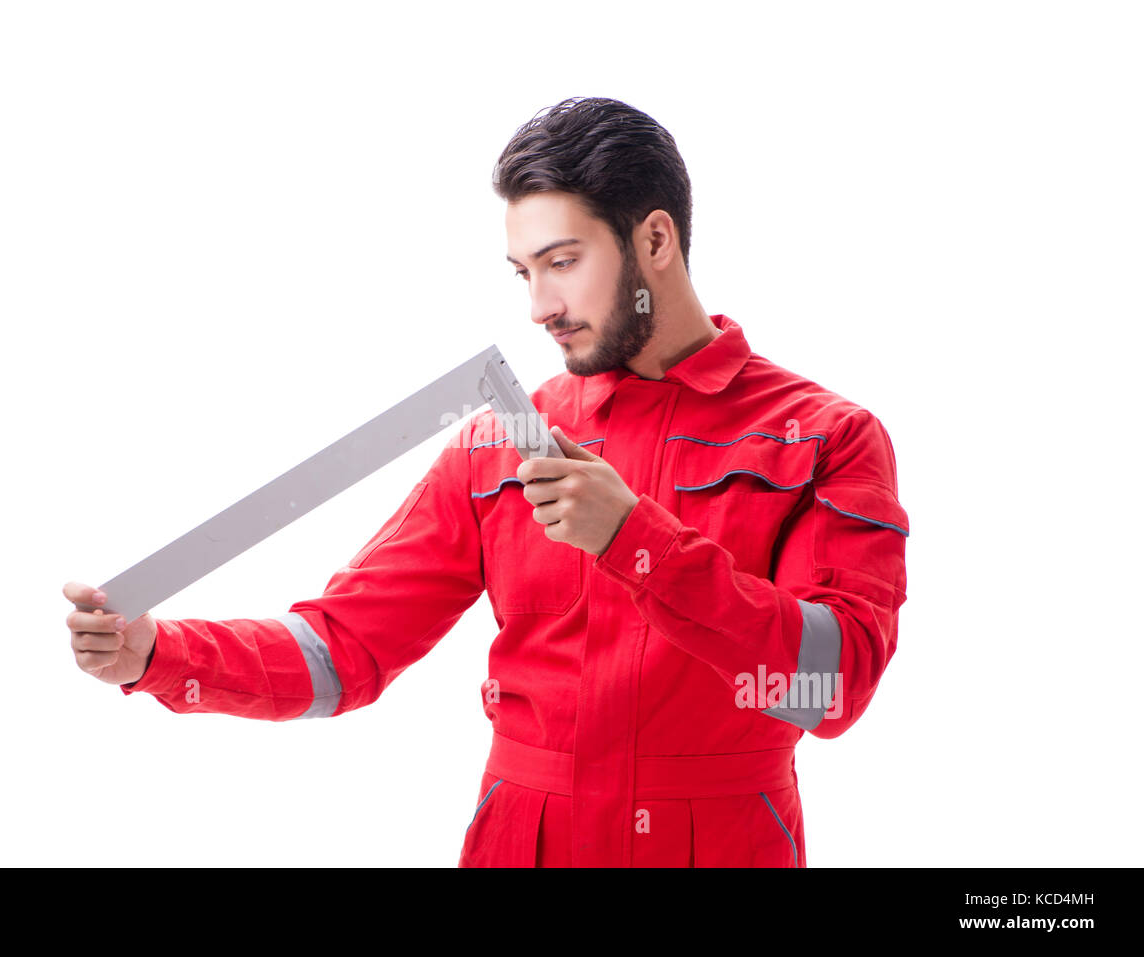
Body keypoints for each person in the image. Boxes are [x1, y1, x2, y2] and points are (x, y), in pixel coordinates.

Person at [63, 96, 909, 867]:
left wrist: (636, 541)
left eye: (562, 261)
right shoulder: (502, 441)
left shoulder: (824, 438)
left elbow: (832, 689)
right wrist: (159, 655)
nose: (539, 305)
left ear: (656, 241)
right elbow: (343, 649)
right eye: (523, 272)